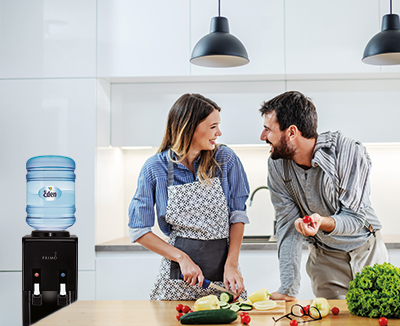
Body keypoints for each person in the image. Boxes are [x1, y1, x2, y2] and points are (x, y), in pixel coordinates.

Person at [260, 91, 388, 301]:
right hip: (324, 259)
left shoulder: (347, 152)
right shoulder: (277, 165)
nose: (263, 136)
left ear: (291, 132)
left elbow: (355, 218)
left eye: (268, 129)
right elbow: (286, 224)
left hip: (367, 252)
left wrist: (322, 222)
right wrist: (288, 288)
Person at [128, 93, 250, 300]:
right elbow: (138, 230)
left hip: (225, 279)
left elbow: (237, 215)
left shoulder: (225, 159)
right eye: (213, 127)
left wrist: (232, 265)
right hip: (178, 280)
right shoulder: (155, 168)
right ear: (190, 127)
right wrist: (182, 258)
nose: (219, 132)